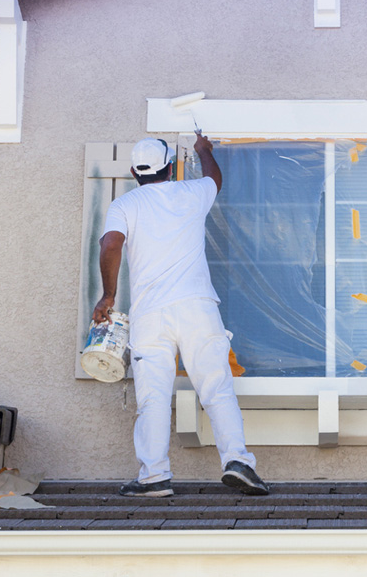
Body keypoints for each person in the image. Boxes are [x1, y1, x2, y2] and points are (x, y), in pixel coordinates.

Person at [91, 133, 268, 497]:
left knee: (153, 397)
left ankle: (154, 477)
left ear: (133, 173)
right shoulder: (192, 193)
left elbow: (111, 245)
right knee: (216, 387)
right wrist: (203, 150)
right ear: (170, 168)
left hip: (150, 315)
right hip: (197, 308)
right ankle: (238, 462)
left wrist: (108, 296)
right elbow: (214, 178)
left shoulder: (124, 205)